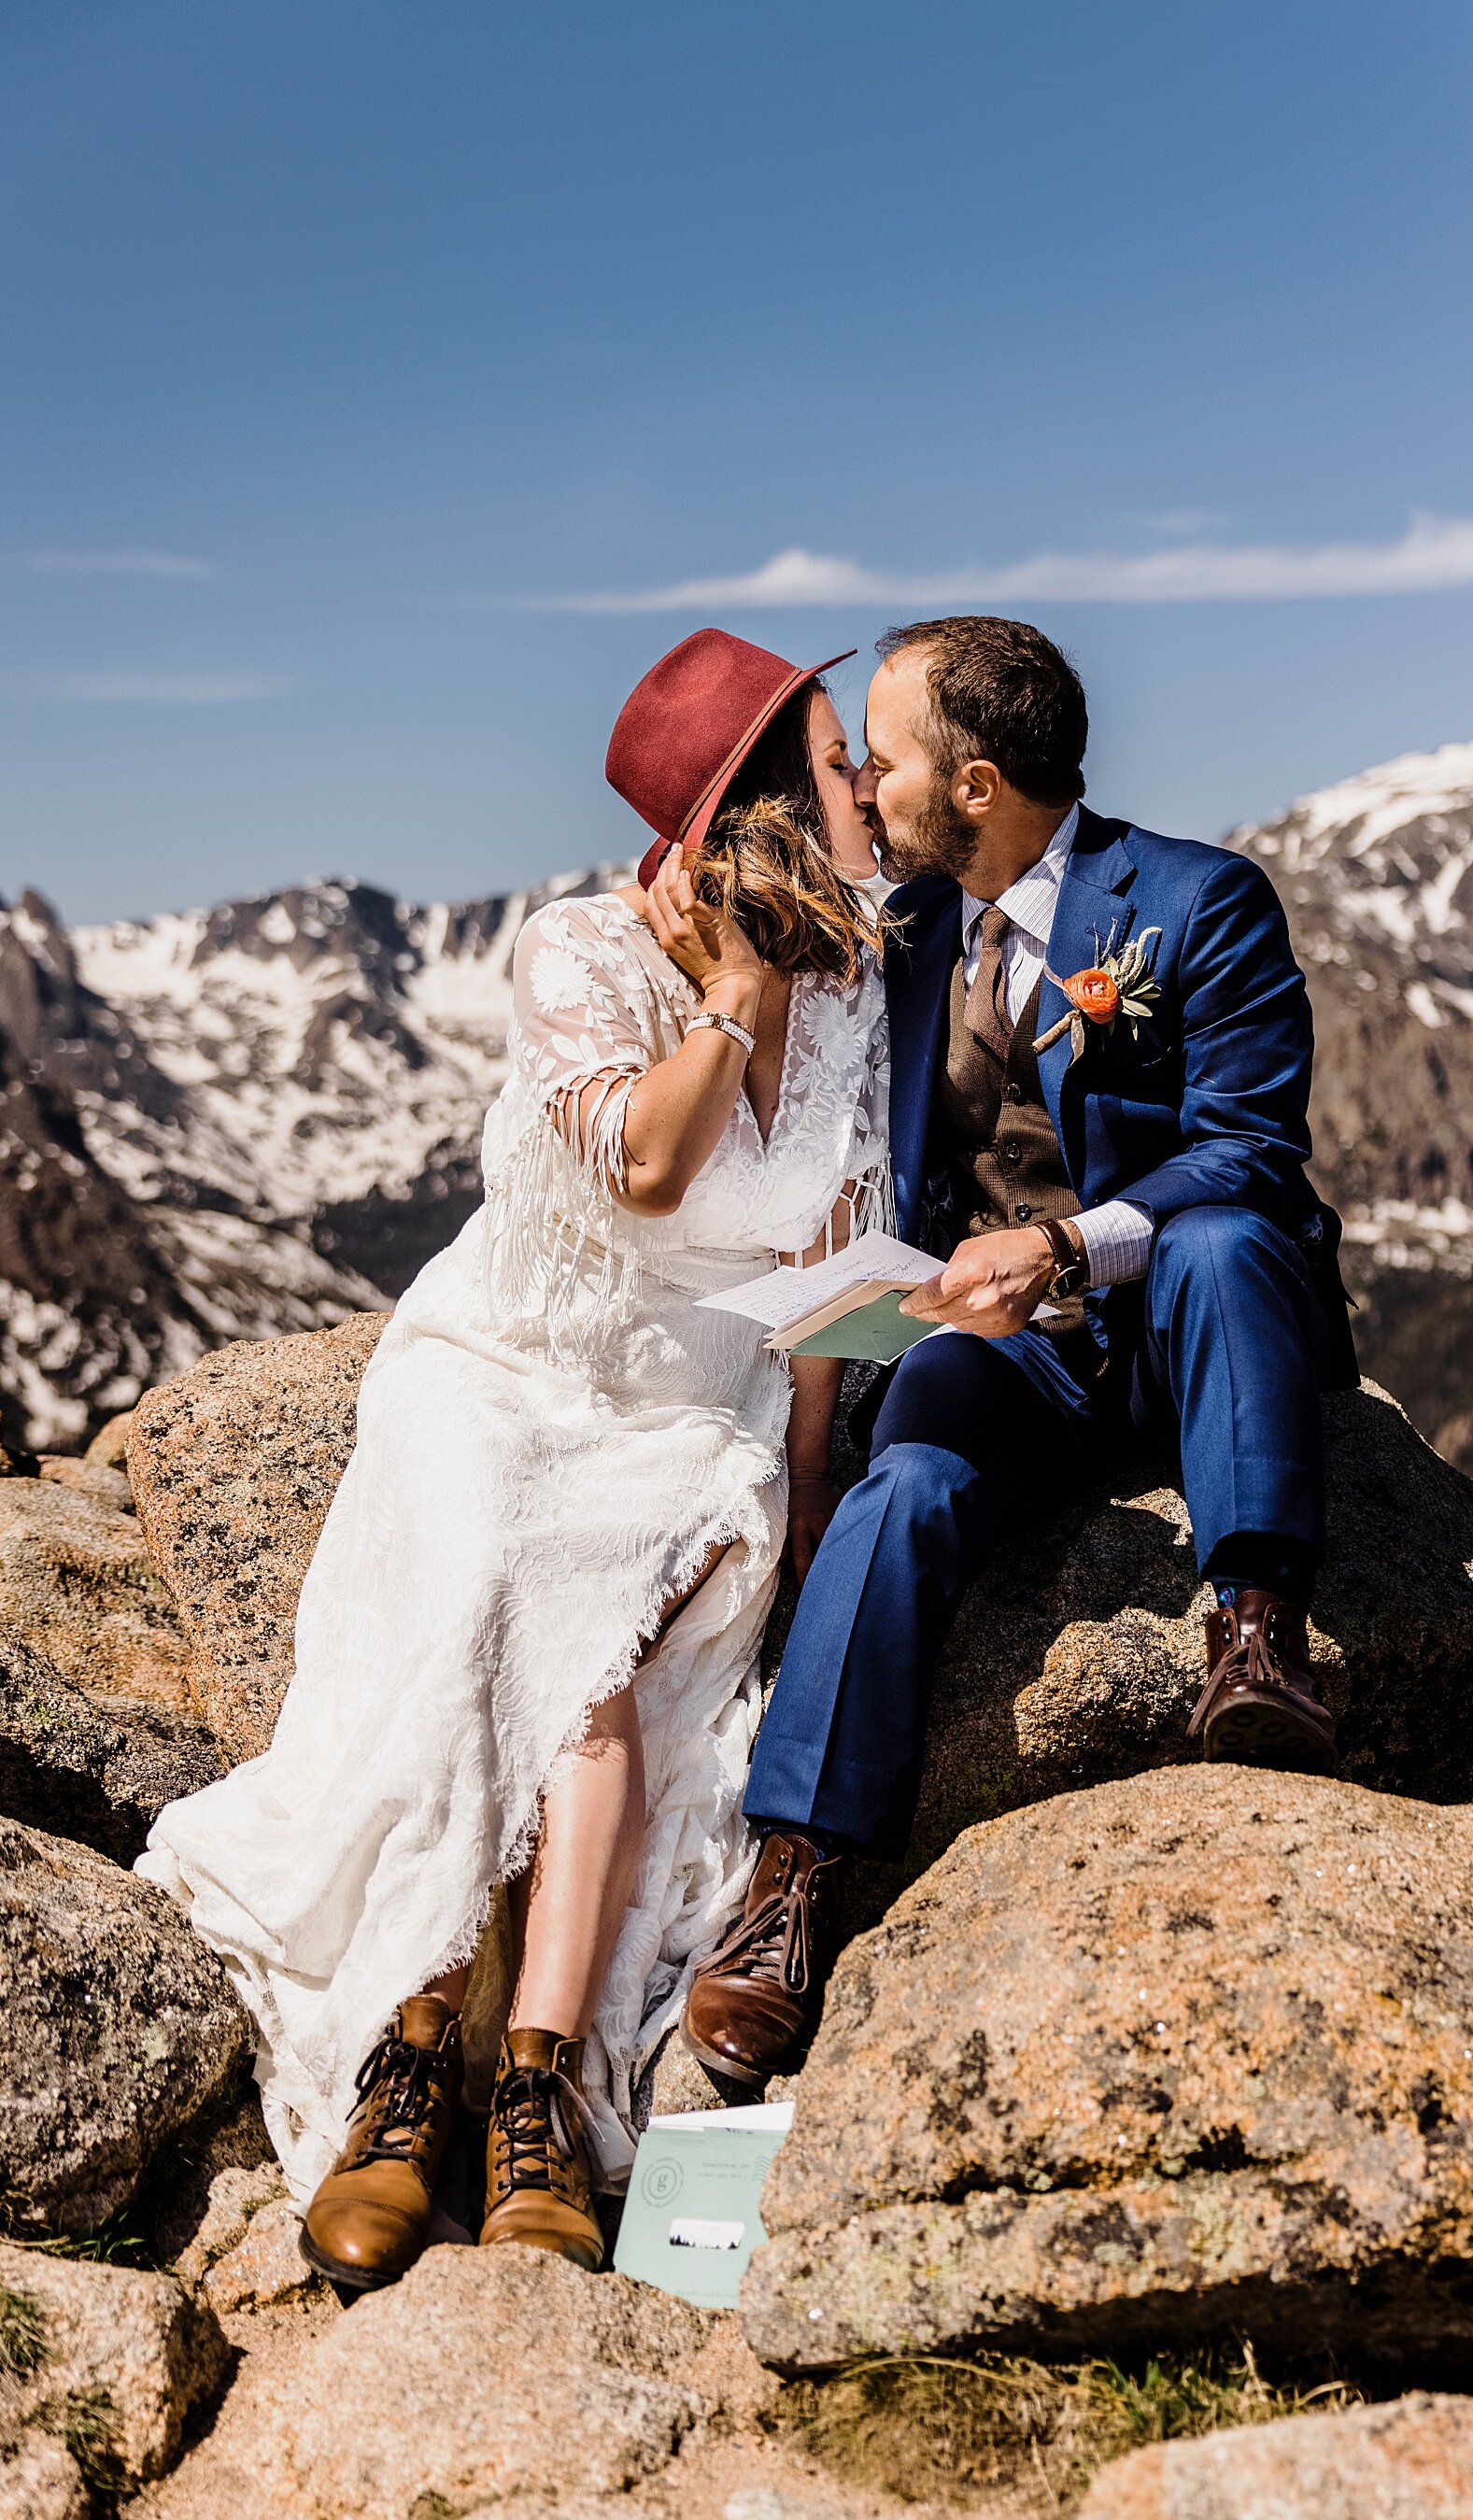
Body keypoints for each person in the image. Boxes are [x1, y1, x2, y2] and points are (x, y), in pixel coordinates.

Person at [137, 628, 888, 2288]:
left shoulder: (860, 991)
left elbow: (842, 1255)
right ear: (752, 806)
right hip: (513, 1362)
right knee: (493, 1596)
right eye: (840, 764)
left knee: (607, 1640)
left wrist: (816, 1492)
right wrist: (738, 988)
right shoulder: (576, 952)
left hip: (700, 1404)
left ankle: (533, 2081)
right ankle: (412, 2053)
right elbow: (635, 1169)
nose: (873, 787)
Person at [682, 614, 1358, 2090]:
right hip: (1006, 1353)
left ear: (976, 783)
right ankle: (796, 1873)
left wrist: (1063, 1247)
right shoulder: (913, 934)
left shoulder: (1195, 901)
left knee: (1229, 1237)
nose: (863, 779)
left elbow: (1251, 1154)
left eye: (887, 755)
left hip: (1189, 1337)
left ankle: (1255, 1632)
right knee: (907, 1473)